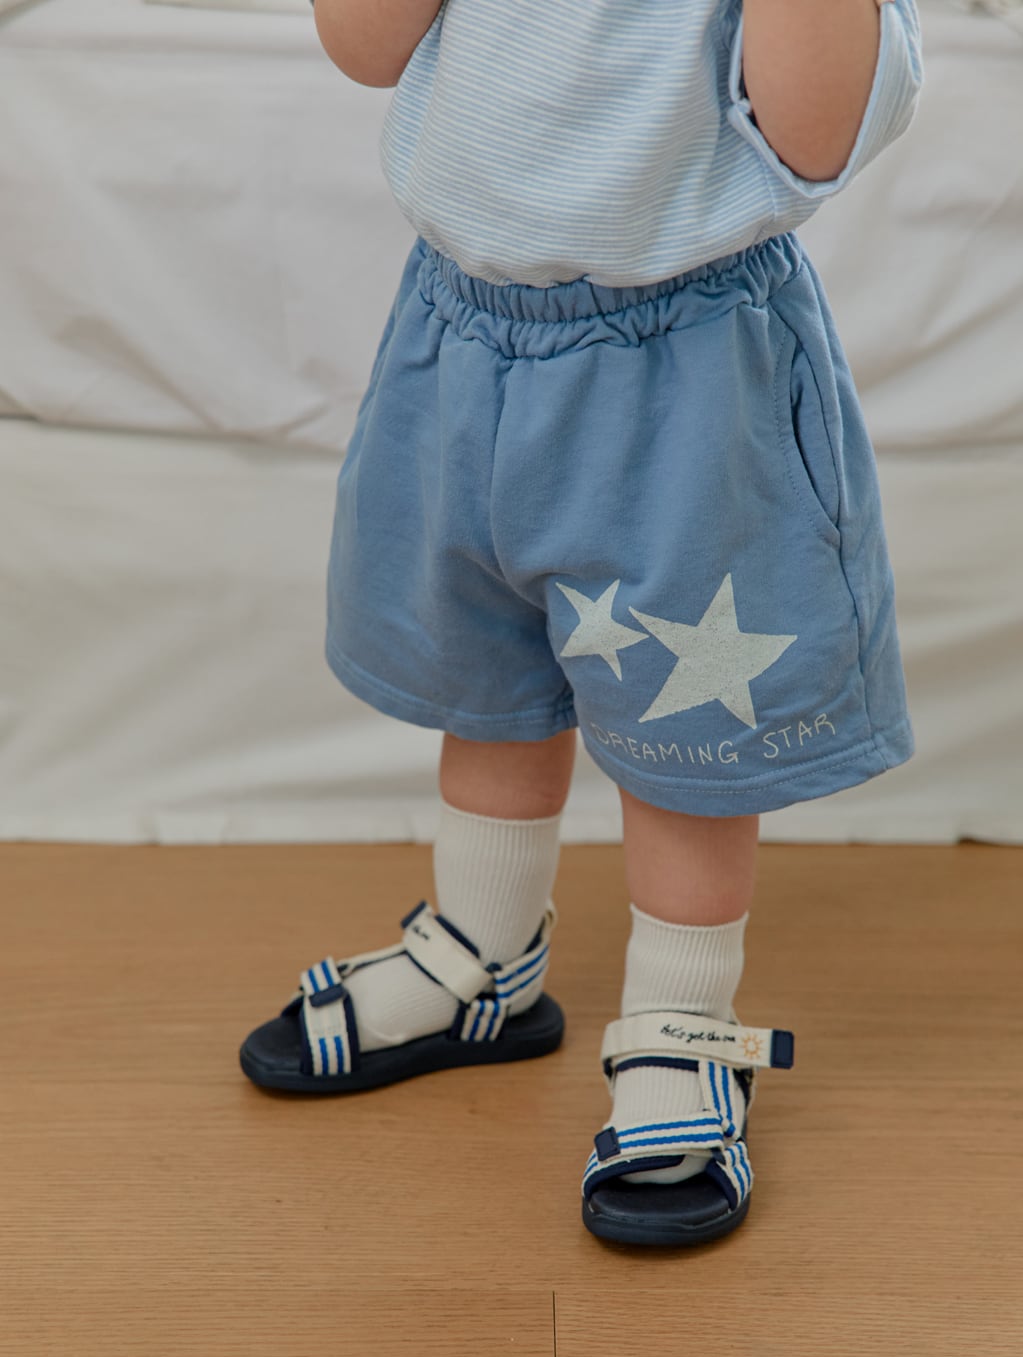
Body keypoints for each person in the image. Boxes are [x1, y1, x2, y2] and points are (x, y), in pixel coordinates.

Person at [241, 0, 923, 1248]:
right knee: (487, 669)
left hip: (683, 356)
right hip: (462, 325)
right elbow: (362, 46)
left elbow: (815, 134)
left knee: (686, 726)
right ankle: (485, 953)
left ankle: (681, 1018)